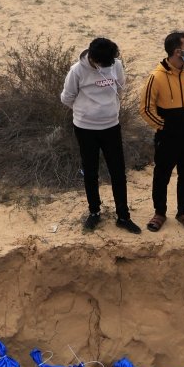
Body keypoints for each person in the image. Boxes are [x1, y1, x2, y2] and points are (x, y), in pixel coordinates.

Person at [60, 37, 139, 234]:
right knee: (91, 170)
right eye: (104, 64)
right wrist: (86, 112)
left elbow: (121, 86)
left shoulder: (116, 65)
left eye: (110, 62)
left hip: (111, 126)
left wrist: (107, 110)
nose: (108, 66)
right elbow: (67, 97)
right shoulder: (77, 71)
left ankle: (123, 216)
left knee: (118, 172)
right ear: (93, 59)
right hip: (85, 129)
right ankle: (94, 212)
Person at [139, 30, 184, 231]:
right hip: (167, 138)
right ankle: (159, 213)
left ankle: (183, 212)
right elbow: (145, 108)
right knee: (162, 175)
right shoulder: (156, 77)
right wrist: (163, 126)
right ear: (177, 51)